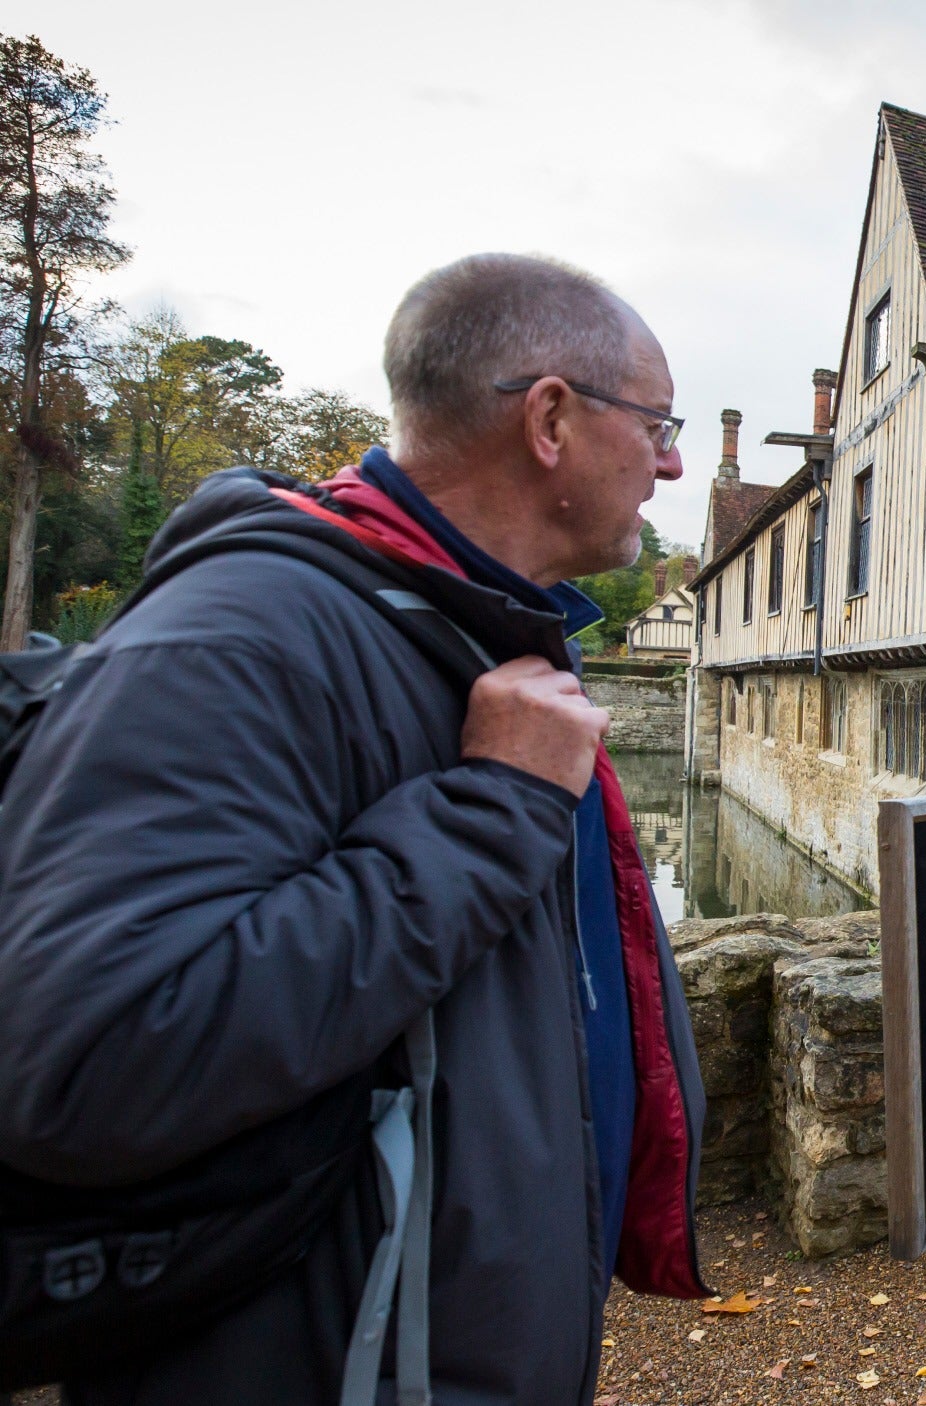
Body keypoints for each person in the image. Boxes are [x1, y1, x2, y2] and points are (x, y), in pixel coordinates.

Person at [0, 253, 707, 1402]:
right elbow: (83, 1062)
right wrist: (494, 811)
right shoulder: (238, 638)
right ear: (550, 419)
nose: (671, 460)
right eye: (657, 424)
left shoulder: (470, 627)